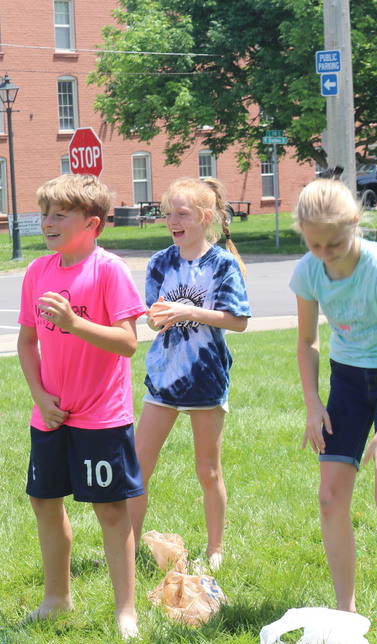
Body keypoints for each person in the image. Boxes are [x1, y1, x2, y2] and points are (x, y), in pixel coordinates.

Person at [17, 174, 147, 638]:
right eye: (45, 212)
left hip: (101, 416)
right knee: (43, 500)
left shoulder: (109, 269)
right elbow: (27, 340)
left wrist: (74, 323)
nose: (47, 222)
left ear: (91, 223)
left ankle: (125, 611)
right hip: (51, 414)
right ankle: (57, 599)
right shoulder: (37, 272)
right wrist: (39, 396)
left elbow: (128, 342)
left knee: (111, 510)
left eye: (59, 214)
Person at [289, 178, 377, 614]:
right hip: (346, 380)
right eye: (316, 245)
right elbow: (308, 341)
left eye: (335, 244)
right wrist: (312, 403)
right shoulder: (308, 270)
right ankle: (345, 611)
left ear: (354, 226)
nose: (326, 254)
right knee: (329, 498)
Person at [129, 178, 250, 572]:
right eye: (169, 214)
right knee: (138, 463)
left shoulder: (223, 264)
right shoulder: (160, 262)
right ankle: (127, 545)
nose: (173, 221)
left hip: (206, 379)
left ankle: (215, 548)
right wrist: (157, 318)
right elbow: (152, 319)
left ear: (205, 217)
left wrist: (188, 312)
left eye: (182, 213)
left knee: (207, 468)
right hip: (163, 378)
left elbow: (238, 321)